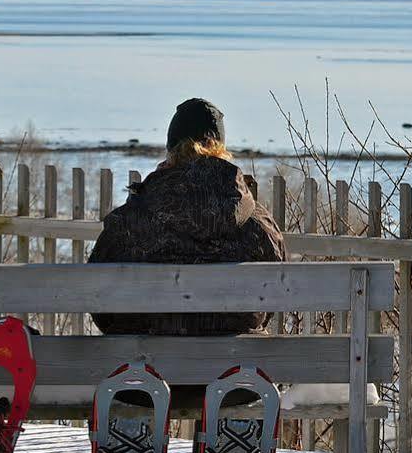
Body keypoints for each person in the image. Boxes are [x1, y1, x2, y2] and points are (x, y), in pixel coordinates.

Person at [89, 97, 286, 336]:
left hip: (143, 361)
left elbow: (98, 301)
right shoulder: (258, 225)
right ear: (221, 150)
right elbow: (273, 300)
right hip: (234, 362)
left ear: (171, 149)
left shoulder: (128, 222)